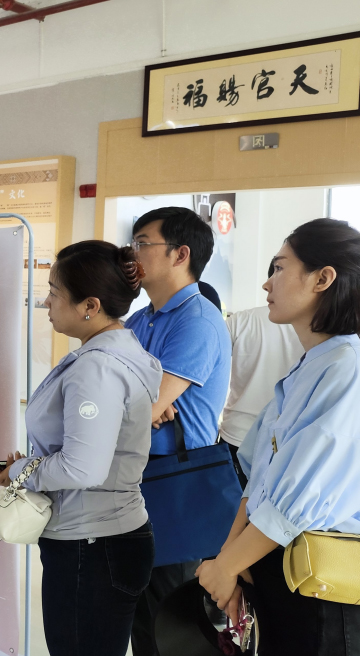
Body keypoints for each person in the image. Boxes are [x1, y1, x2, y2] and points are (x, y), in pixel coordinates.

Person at [0, 241, 162, 656]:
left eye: (54, 292)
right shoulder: (115, 352)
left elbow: (83, 468)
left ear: (90, 305)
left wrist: (22, 472)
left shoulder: (96, 367)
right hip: (104, 538)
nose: (46, 302)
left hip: (93, 544)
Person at [197, 219, 360, 656]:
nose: (267, 282)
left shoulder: (347, 367)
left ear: (323, 278)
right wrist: (229, 562)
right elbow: (257, 481)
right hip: (270, 563)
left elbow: (300, 497)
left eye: (280, 267)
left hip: (319, 578)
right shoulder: (310, 366)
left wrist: (227, 565)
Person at [123, 207, 232, 656]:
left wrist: (146, 402)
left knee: (171, 619)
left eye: (142, 244)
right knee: (141, 612)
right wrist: (143, 402)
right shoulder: (140, 319)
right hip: (138, 476)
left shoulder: (197, 320)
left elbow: (144, 406)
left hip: (176, 480)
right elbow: (115, 396)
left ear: (180, 254)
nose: (132, 254)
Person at [220, 302, 303, 485]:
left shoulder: (241, 320)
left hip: (238, 432)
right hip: (288, 439)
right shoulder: (315, 327)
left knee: (231, 501)